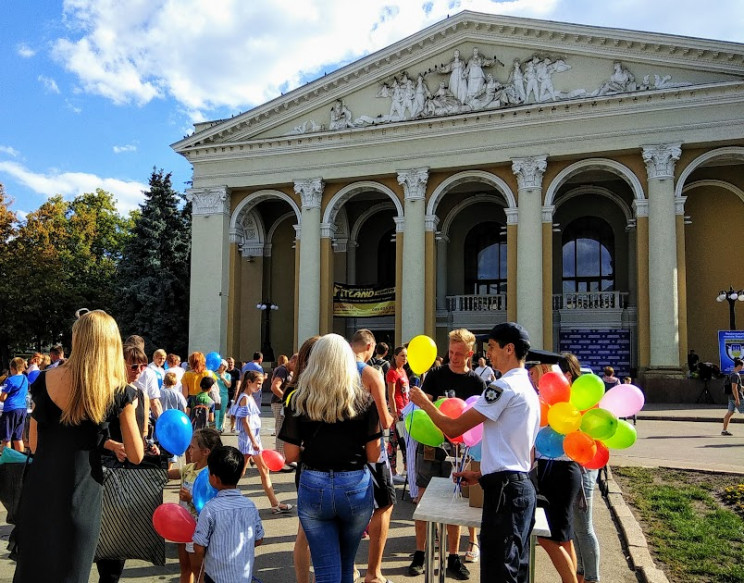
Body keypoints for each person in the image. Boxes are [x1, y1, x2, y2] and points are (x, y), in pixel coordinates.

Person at [13, 310, 144, 582]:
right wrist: (107, 439)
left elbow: (34, 444)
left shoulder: (44, 379)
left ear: (77, 338)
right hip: (82, 495)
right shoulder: (119, 392)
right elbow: (136, 455)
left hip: (40, 494)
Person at [409, 322, 540, 583]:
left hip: (506, 492)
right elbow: (512, 447)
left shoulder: (502, 387)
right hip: (514, 485)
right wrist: (481, 476)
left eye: (491, 347)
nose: (487, 354)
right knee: (513, 570)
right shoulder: (525, 386)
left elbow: (455, 426)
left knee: (499, 573)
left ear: (509, 349)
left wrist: (425, 403)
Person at [280, 333, 381, 583]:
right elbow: (374, 454)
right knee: (346, 566)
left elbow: (290, 454)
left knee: (326, 571)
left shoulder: (299, 400)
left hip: (314, 482)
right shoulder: (365, 400)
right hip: (355, 484)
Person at [408, 328, 486, 578]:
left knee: (455, 503)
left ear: (469, 354)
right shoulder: (435, 375)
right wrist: (423, 400)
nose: (453, 357)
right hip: (432, 446)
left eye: (459, 353)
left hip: (462, 450)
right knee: (422, 498)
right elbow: (422, 407)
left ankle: (453, 556)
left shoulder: (476, 381)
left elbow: (480, 418)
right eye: (451, 352)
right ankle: (420, 553)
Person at [528, 353, 581, 583]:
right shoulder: (552, 399)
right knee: (563, 536)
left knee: (548, 537)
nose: (530, 377)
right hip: (562, 470)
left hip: (558, 471)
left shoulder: (554, 400)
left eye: (533, 373)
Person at [351, 329, 396, 583]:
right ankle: (373, 572)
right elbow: (384, 419)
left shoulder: (335, 372)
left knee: (348, 508)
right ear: (370, 347)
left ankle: (348, 567)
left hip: (342, 450)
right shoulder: (370, 373)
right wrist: (392, 417)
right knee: (384, 506)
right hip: (371, 450)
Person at [193, 445, 264, 583]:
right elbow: (259, 538)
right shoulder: (250, 505)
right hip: (243, 576)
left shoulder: (209, 509)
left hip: (215, 577)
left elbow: (199, 547)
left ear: (215, 479)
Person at [561, 352, 601, 583]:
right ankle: (581, 573)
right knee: (575, 526)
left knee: (583, 527)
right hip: (571, 464)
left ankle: (593, 578)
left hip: (584, 466)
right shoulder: (565, 397)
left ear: (567, 374)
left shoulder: (582, 398)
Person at [168, 428, 222, 583]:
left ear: (205, 451)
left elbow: (211, 505)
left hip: (198, 530)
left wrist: (191, 498)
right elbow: (171, 474)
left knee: (198, 571)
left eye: (192, 447)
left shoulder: (210, 475)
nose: (188, 449)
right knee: (185, 569)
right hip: (181, 527)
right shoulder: (190, 468)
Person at [286, 336, 320, 583]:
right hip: (310, 469)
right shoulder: (297, 392)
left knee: (307, 533)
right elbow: (291, 451)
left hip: (310, 469)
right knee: (306, 533)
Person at [236, 370, 292, 513]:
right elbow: (245, 422)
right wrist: (254, 441)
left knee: (256, 471)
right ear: (249, 382)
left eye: (261, 383)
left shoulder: (249, 397)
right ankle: (223, 495)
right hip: (249, 440)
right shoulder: (245, 398)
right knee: (240, 472)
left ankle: (274, 503)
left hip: (253, 439)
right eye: (258, 383)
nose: (260, 386)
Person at [386, 345, 410, 482]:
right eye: (402, 356)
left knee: (405, 441)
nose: (404, 358)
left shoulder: (403, 371)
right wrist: (394, 413)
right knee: (395, 440)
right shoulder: (392, 372)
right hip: (397, 411)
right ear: (395, 356)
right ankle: (393, 470)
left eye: (406, 356)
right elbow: (391, 394)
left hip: (406, 410)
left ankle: (407, 468)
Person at [125, 335, 163, 420]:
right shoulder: (149, 373)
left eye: (143, 367)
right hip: (139, 417)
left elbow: (154, 402)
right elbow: (154, 402)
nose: (138, 371)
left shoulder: (113, 370)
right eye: (134, 367)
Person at [270, 353, 297, 469]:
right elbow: (274, 386)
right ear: (293, 362)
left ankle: (283, 458)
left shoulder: (288, 371)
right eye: (298, 365)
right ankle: (279, 460)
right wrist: (285, 399)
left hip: (282, 404)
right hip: (279, 403)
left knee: (284, 430)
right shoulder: (282, 370)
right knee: (281, 430)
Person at [0, 358, 29, 451]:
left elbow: (3, 398)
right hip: (23, 409)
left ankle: (6, 462)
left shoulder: (10, 380)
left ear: (12, 368)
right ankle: (20, 460)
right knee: (18, 438)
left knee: (6, 438)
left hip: (10, 410)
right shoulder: (25, 379)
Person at [722, 358, 744, 436]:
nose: (743, 367)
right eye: (742, 365)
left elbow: (738, 386)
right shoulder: (735, 375)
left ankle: (724, 430)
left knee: (729, 413)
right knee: (730, 413)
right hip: (737, 397)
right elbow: (734, 388)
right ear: (739, 366)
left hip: (731, 397)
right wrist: (737, 399)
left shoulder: (731, 373)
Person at [214, 360, 231, 432]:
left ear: (224, 366)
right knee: (216, 411)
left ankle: (220, 427)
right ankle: (216, 427)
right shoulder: (214, 374)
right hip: (216, 395)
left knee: (222, 411)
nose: (219, 366)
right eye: (218, 364)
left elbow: (229, 385)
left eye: (221, 365)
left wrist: (223, 378)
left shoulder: (227, 375)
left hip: (224, 395)